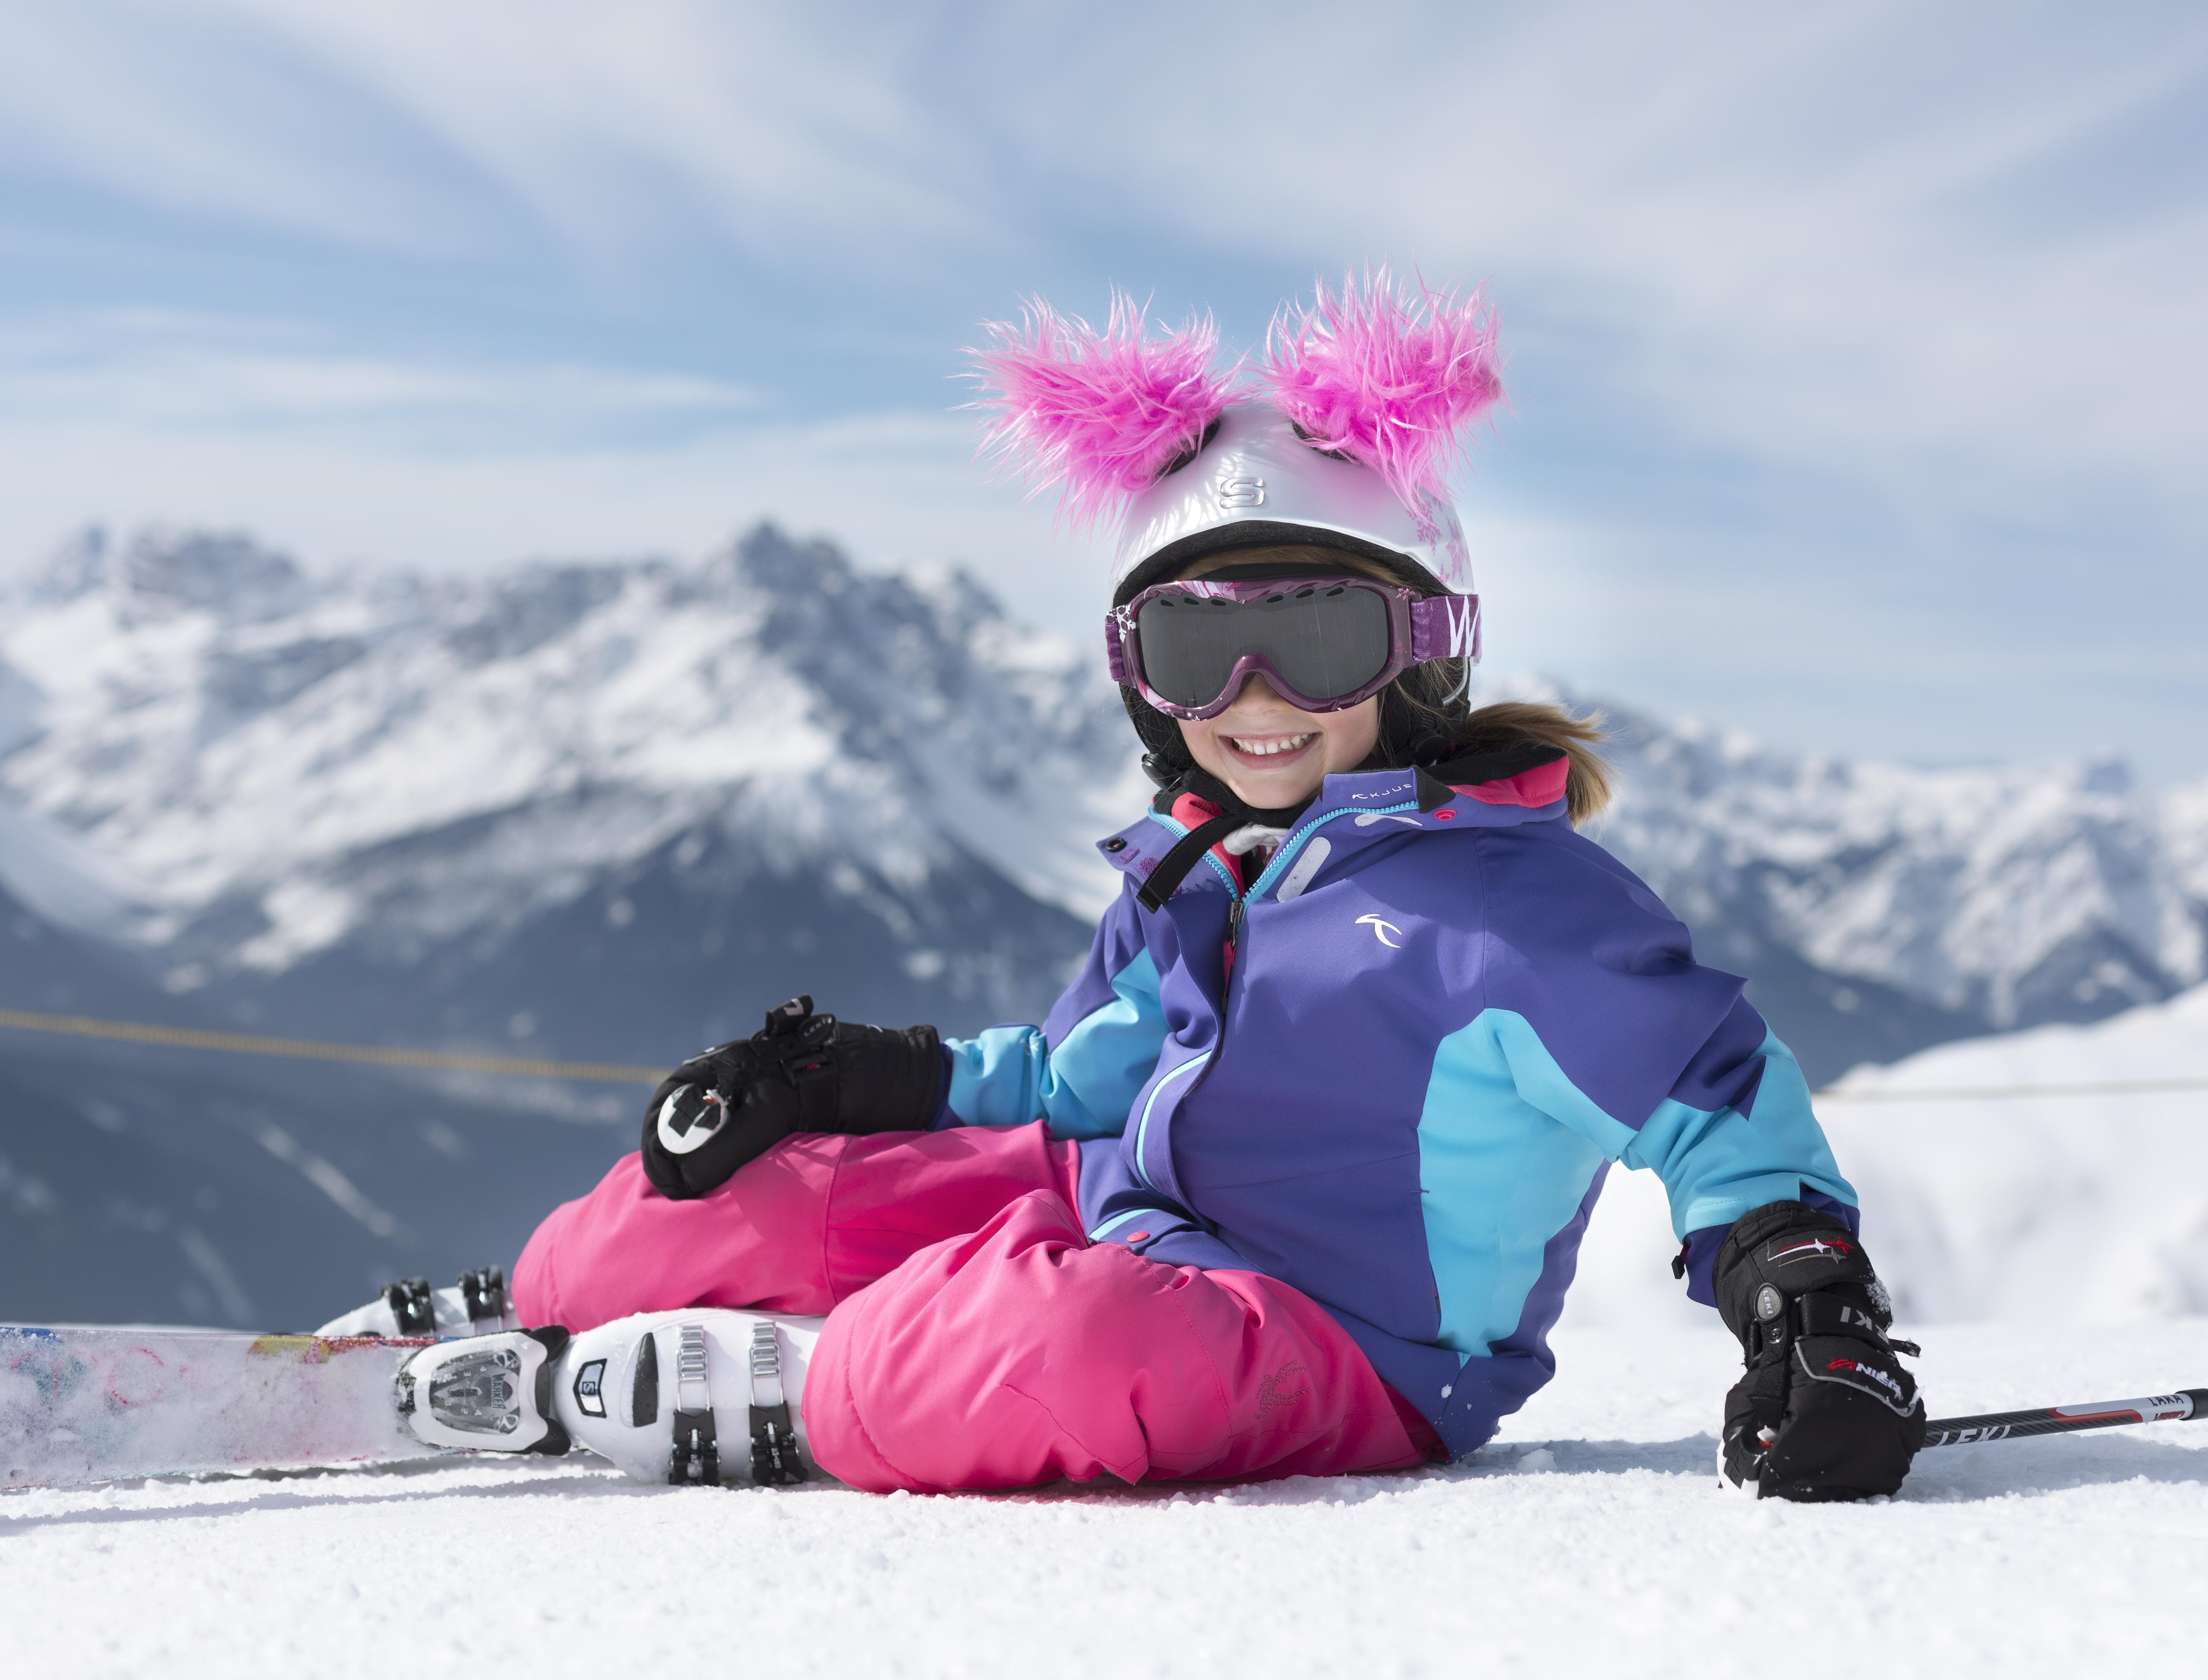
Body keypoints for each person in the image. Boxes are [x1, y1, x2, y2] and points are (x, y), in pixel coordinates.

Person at [345, 275, 1924, 1502]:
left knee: (1066, 1343)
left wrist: (1805, 1296)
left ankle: (799, 1383)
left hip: (1348, 1344)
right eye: (1189, 645)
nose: (1251, 691)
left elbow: (1711, 1093)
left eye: (1313, 637)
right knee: (776, 1187)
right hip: (1129, 1212)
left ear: (1421, 653)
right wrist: (864, 1079)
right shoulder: (1190, 862)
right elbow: (1088, 1070)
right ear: (1136, 675)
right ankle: (544, 1304)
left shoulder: (1514, 908)